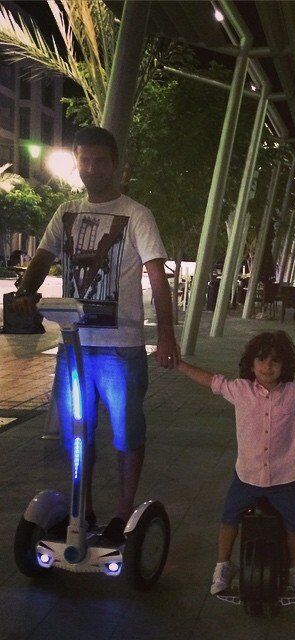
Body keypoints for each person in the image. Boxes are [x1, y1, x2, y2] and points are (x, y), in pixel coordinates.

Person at [12, 126, 180, 544]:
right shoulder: (66, 211)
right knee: (77, 432)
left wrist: (167, 335)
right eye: (84, 161)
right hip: (74, 347)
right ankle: (81, 510)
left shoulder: (137, 214)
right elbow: (43, 257)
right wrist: (26, 292)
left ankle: (123, 515)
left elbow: (157, 277)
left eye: (100, 161)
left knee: (126, 433)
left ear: (115, 164)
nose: (91, 169)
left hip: (121, 349)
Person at [175, 330, 295, 597]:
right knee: (228, 519)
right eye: (261, 359)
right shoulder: (240, 390)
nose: (267, 366)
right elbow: (210, 381)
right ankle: (223, 564)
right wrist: (179, 364)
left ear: (285, 365)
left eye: (275, 360)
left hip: (286, 479)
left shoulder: (294, 393)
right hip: (247, 476)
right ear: (251, 364)